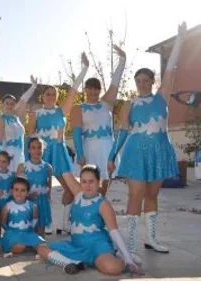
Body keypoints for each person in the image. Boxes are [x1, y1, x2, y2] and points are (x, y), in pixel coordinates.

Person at [108, 23, 187, 256]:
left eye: (146, 80)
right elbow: (122, 131)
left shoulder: (162, 97)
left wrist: (180, 40)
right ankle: (130, 246)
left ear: (153, 81)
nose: (142, 84)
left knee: (152, 196)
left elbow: (171, 68)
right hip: (136, 152)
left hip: (159, 151)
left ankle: (152, 239)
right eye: (138, 81)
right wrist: (112, 155)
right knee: (135, 196)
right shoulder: (129, 104)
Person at [37, 165, 144, 276]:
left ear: (98, 182)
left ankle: (120, 255)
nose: (87, 185)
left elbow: (114, 232)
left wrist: (130, 262)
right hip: (76, 245)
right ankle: (74, 264)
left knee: (112, 268)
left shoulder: (103, 204)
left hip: (97, 246)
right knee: (42, 249)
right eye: (84, 181)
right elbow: (62, 167)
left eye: (91, 181)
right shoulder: (78, 194)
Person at [27, 52, 89, 234]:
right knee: (38, 189)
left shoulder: (62, 111)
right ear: (42, 96)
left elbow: (74, 90)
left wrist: (84, 69)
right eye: (48, 94)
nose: (51, 96)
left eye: (54, 94)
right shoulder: (36, 113)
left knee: (71, 187)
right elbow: (30, 134)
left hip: (59, 151)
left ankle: (65, 223)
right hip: (41, 153)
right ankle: (41, 223)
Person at [71, 45, 126, 196]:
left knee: (104, 188)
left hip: (107, 148)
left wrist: (122, 60)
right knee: (88, 187)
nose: (93, 91)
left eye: (96, 88)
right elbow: (76, 134)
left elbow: (116, 81)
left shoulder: (106, 104)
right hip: (89, 148)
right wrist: (81, 155)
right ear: (85, 90)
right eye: (90, 88)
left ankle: (101, 213)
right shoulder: (78, 108)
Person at [0, 76, 38, 172]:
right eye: (7, 103)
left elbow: (23, 100)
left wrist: (33, 87)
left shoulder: (15, 116)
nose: (10, 106)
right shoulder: (1, 119)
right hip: (8, 154)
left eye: (12, 104)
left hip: (20, 153)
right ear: (2, 104)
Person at [17, 138, 52, 238]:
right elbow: (17, 187)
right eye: (33, 148)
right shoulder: (22, 167)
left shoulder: (48, 167)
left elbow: (48, 185)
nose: (37, 150)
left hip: (42, 201)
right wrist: (28, 195)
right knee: (29, 227)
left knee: (41, 228)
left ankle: (40, 245)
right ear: (28, 150)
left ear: (43, 149)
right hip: (28, 202)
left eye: (39, 147)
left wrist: (48, 196)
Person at [1, 177, 45, 254]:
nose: (19, 193)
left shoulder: (32, 206)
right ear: (11, 191)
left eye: (23, 190)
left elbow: (35, 221)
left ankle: (28, 244)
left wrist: (33, 234)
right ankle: (16, 246)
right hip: (13, 234)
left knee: (43, 247)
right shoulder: (7, 206)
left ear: (28, 193)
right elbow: (3, 223)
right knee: (19, 247)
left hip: (28, 233)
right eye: (16, 190)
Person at [0, 151, 15, 220]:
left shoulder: (12, 175)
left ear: (8, 163)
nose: (0, 163)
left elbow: (13, 188)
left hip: (8, 202)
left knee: (7, 222)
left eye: (4, 161)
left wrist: (11, 192)